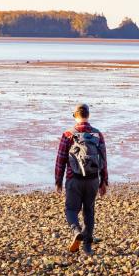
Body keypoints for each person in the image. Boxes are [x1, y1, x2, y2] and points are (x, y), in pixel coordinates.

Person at [55, 103, 108, 255]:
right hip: (92, 180)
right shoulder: (97, 134)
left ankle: (76, 231)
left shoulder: (68, 134)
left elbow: (61, 159)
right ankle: (87, 247)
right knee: (89, 211)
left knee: (71, 209)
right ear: (88, 115)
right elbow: (103, 158)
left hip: (74, 179)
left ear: (75, 116)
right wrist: (104, 181)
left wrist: (58, 181)